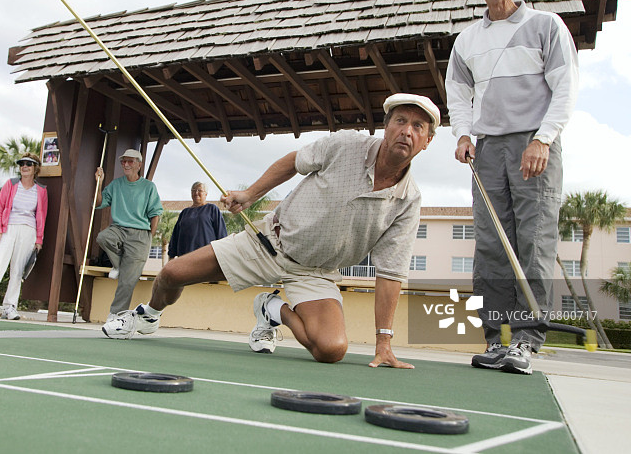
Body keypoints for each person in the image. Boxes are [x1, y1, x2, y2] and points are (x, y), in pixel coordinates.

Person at [102, 94, 439, 369]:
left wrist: (384, 342)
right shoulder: (348, 145)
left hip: (316, 274)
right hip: (267, 242)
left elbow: (391, 272)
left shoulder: (408, 201)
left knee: (331, 349)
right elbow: (294, 161)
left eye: (417, 126)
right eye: (400, 121)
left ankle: (271, 310)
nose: (406, 131)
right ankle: (149, 315)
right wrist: (250, 195)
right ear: (386, 126)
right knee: (172, 274)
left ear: (427, 141)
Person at [446, 0, 579, 375]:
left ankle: (525, 340)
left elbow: (565, 88)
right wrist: (463, 134)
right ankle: (496, 339)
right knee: (489, 246)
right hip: (487, 149)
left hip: (534, 144)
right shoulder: (467, 40)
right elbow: (459, 94)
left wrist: (543, 140)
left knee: (533, 242)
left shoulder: (546, 25)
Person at [0, 153, 48, 320]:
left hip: (29, 231)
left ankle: (9, 307)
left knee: (18, 271)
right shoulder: (11, 184)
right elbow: (0, 208)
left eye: (28, 164)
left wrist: (38, 239)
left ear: (35, 168)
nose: (24, 166)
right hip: (8, 229)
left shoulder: (41, 191)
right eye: (22, 164)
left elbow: (42, 216)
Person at [94, 149, 163, 319]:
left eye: (130, 161)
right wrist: (99, 183)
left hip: (140, 235)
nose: (125, 164)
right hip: (119, 229)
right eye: (123, 161)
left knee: (127, 281)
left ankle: (115, 314)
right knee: (103, 237)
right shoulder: (116, 184)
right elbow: (99, 203)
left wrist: (149, 237)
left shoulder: (148, 187)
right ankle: (118, 265)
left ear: (139, 165)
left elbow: (156, 213)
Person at [167, 182, 227, 259]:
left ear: (206, 194)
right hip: (185, 257)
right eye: (193, 190)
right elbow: (175, 236)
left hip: (206, 257)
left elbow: (221, 233)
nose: (196, 193)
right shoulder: (184, 212)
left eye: (199, 190)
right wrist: (171, 256)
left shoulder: (212, 209)